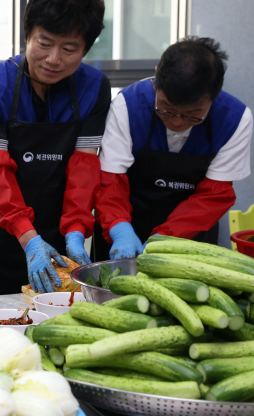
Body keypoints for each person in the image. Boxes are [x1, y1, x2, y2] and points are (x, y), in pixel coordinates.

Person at [0, 0, 111, 298]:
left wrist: (76, 232)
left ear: (85, 49)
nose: (53, 59)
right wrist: (28, 238)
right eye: (44, 43)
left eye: (69, 49)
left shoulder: (94, 87)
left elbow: (84, 167)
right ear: (27, 34)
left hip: (58, 221)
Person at [94, 37, 253, 260]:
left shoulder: (235, 120)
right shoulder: (128, 106)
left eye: (192, 115)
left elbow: (215, 193)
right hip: (123, 229)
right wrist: (119, 228)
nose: (177, 122)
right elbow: (110, 180)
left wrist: (165, 238)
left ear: (213, 96)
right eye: (166, 109)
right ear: (157, 79)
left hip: (190, 236)